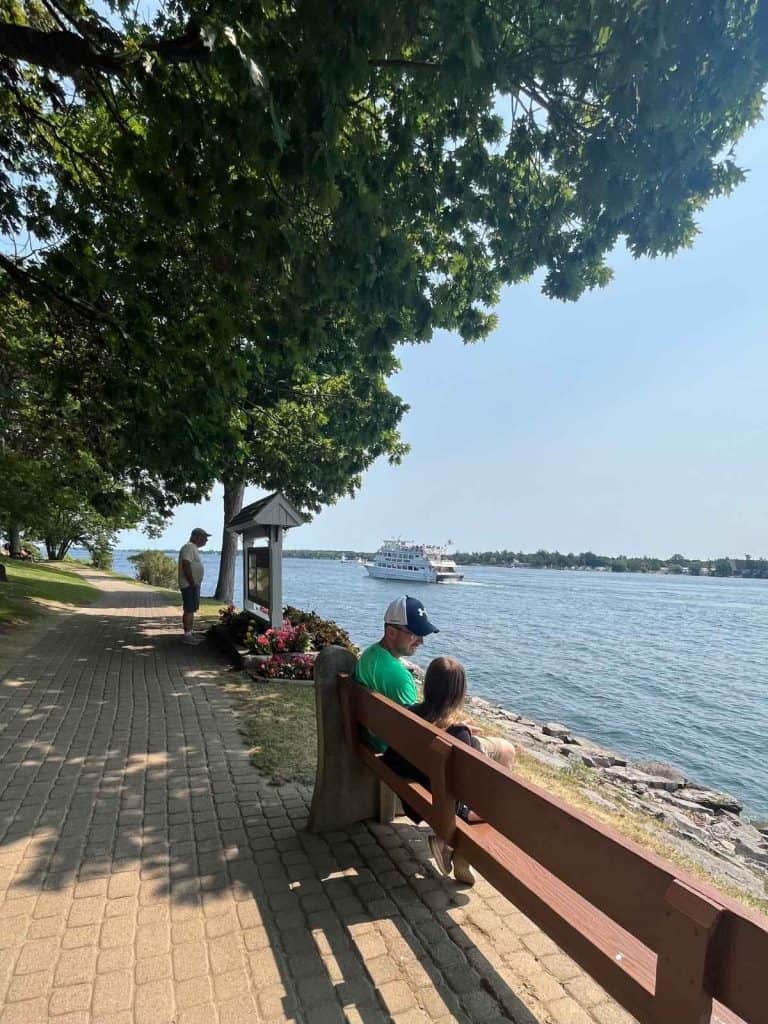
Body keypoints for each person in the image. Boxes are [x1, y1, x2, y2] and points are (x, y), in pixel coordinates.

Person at [383, 655, 516, 887]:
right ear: (459, 693)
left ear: (428, 685)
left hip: (413, 799)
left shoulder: (407, 714)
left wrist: (463, 730)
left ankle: (448, 845)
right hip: (442, 809)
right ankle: (461, 853)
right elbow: (472, 790)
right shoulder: (458, 736)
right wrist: (464, 733)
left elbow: (391, 759)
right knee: (496, 805)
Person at [354, 594, 439, 751]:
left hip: (371, 739)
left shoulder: (370, 654)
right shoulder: (399, 677)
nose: (421, 641)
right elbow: (418, 731)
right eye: (415, 634)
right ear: (391, 632)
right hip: (392, 751)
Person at [178, 528, 211, 644]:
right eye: (204, 538)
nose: (206, 540)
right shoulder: (189, 547)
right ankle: (187, 636)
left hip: (192, 585)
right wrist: (191, 582)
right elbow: (186, 564)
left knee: (191, 609)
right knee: (189, 609)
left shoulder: (193, 548)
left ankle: (190, 633)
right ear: (197, 537)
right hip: (189, 585)